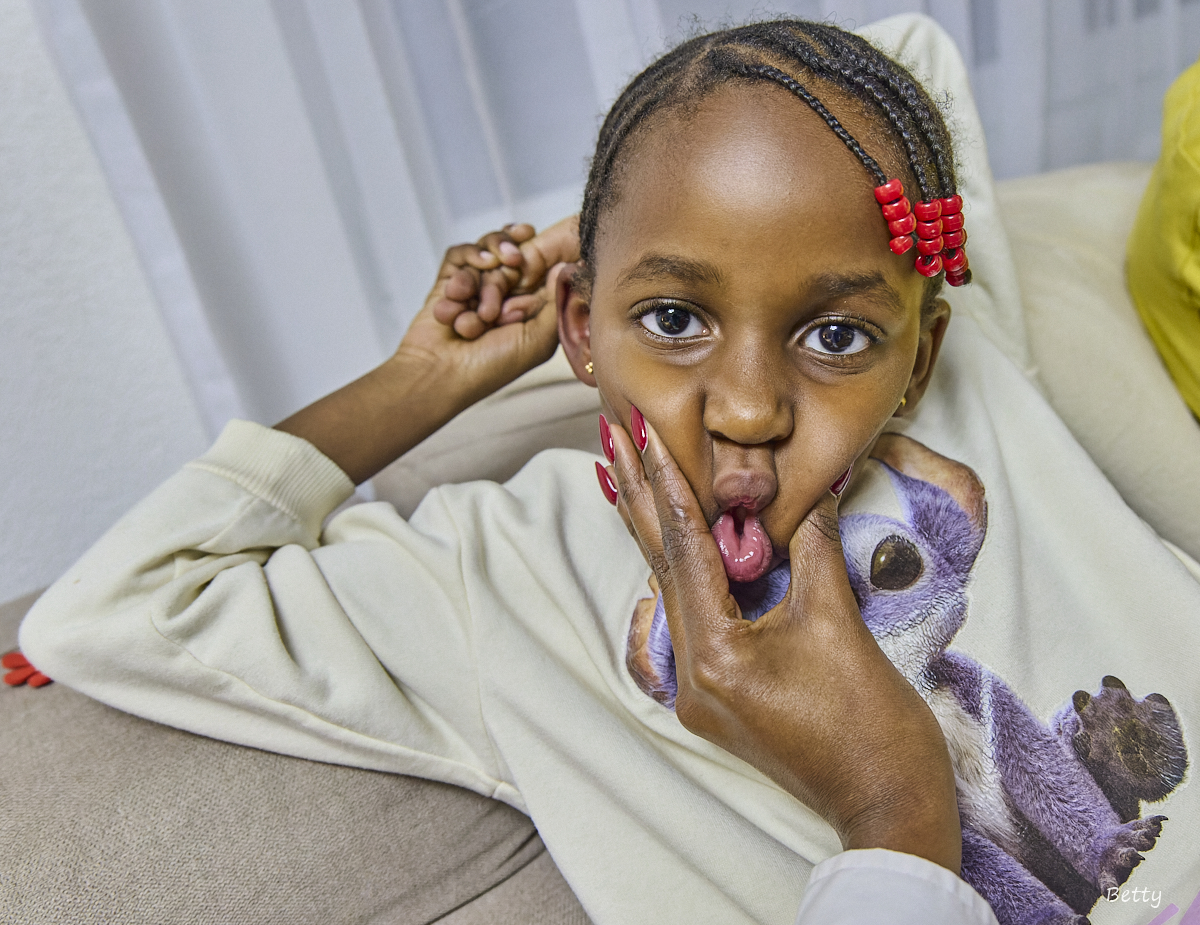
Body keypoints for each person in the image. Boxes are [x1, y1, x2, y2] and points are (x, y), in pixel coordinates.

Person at [19, 15, 1200, 925]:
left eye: (834, 333)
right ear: (582, 327)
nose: (748, 408)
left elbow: (911, 59)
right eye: (674, 317)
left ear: (918, 352)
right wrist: (427, 378)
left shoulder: (960, 371)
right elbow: (112, 605)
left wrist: (639, 238)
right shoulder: (497, 575)